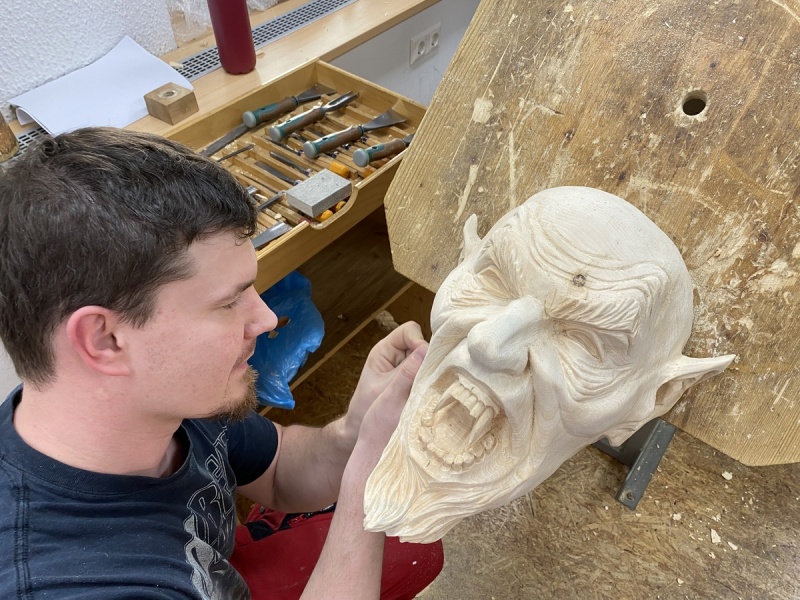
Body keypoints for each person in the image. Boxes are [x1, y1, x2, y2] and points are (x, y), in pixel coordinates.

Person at [0, 127, 443, 599]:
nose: (266, 318)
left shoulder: (173, 393)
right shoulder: (64, 583)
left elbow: (277, 469)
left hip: (214, 569)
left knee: (408, 543)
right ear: (104, 340)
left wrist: (354, 433)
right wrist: (367, 475)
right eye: (229, 302)